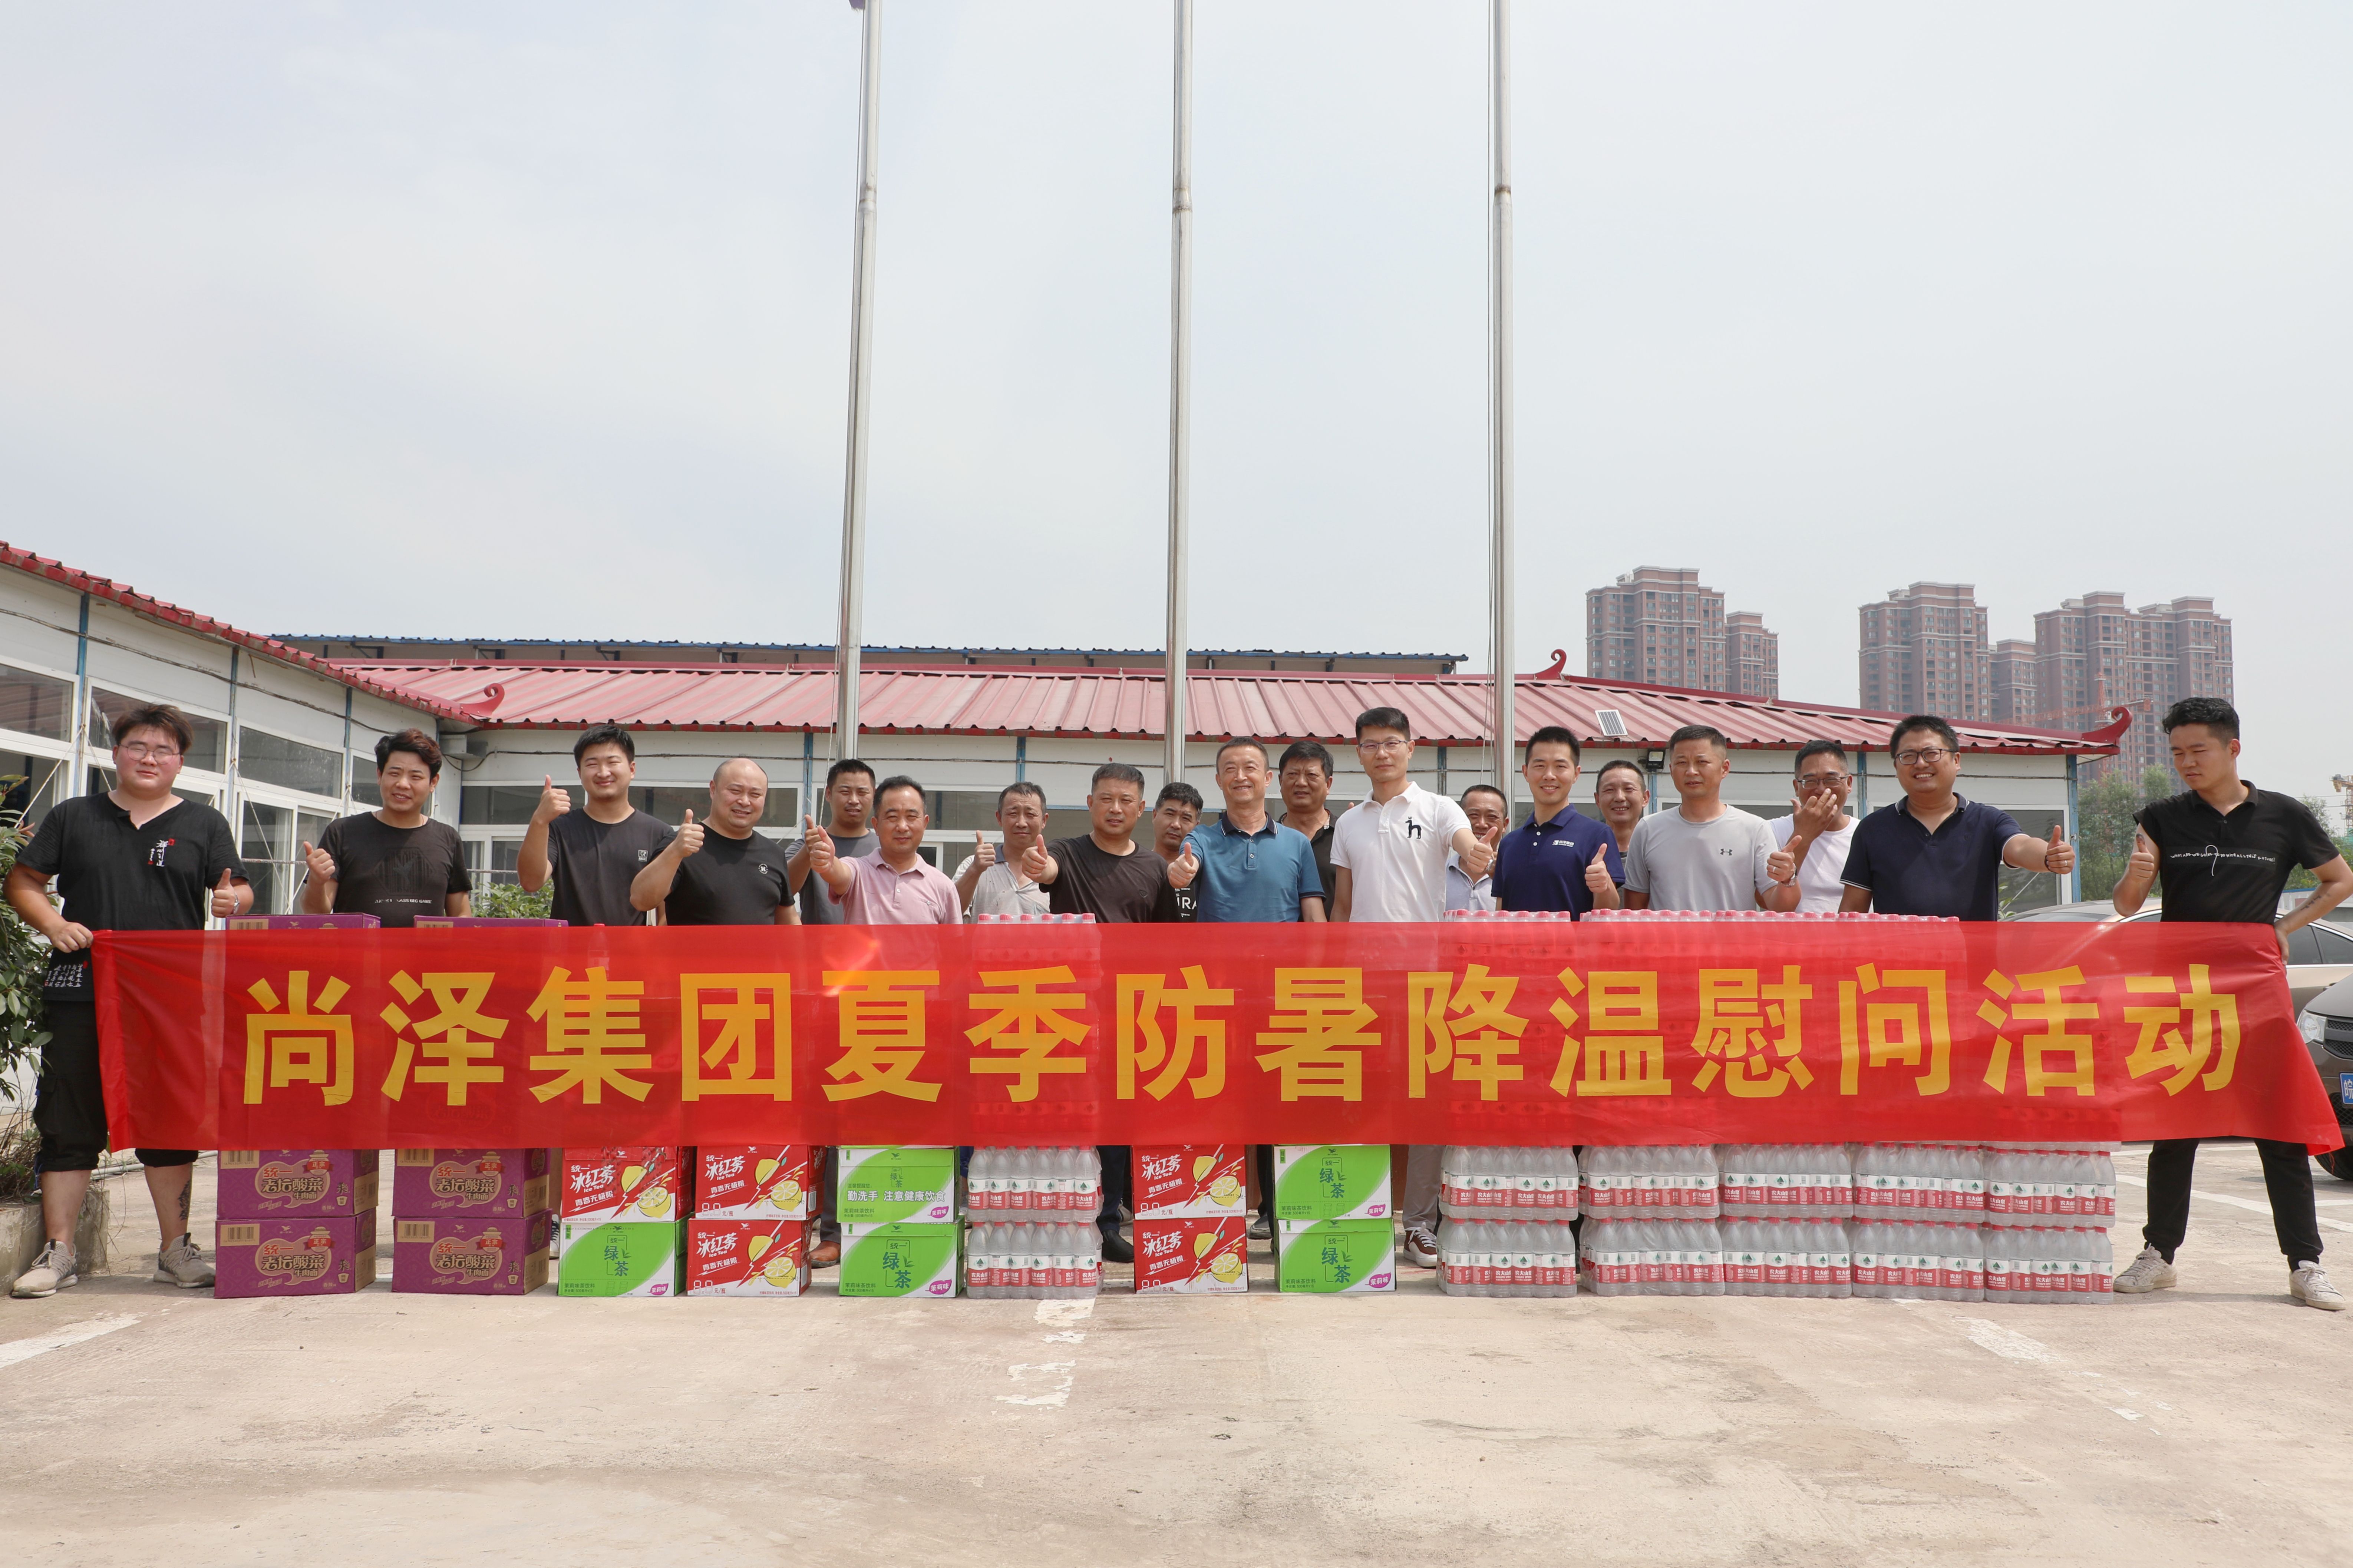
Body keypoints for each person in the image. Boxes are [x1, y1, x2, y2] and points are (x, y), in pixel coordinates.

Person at [2109, 697, 2352, 1311]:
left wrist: (2285, 925)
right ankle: (2158, 1255)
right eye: (2177, 753)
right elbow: (2125, 904)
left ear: (2232, 748)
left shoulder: (2283, 815)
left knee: (2278, 1125)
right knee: (2175, 1126)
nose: (2186, 763)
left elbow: (2339, 879)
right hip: (2181, 993)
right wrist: (2137, 873)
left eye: (2198, 750)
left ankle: (2305, 1264)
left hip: (2254, 992)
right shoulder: (2161, 818)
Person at [8, 704, 251, 1299]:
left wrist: (232, 903)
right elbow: (23, 882)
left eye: (163, 750)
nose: (149, 758)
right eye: (138, 746)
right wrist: (53, 924)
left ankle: (175, 1250)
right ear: (116, 753)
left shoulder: (203, 822)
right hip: (81, 989)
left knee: (168, 1118)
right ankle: (60, 1250)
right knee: (69, 1116)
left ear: (180, 762)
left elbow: (238, 888)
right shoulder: (75, 815)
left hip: (170, 997)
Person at [1328, 707, 1494, 1271]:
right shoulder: (1349, 823)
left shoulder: (1438, 808)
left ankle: (1419, 1224)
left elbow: (1465, 841)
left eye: (1391, 742)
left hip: (1427, 980)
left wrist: (1474, 851)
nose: (1382, 753)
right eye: (1370, 744)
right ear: (1358, 752)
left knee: (1424, 1104)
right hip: (1364, 984)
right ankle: (1359, 1213)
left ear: (1410, 748)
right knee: (1361, 1099)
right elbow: (1343, 906)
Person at [1027, 762, 1187, 1264]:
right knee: (1067, 1117)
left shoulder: (1155, 869)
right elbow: (1047, 871)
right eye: (1105, 799)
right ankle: (1057, 1222)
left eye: (1125, 801)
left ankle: (1107, 1222)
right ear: (1090, 803)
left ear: (1141, 809)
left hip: (1128, 1013)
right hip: (1067, 1011)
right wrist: (1040, 868)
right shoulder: (1067, 852)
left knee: (1116, 1123)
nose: (1115, 809)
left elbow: (1166, 946)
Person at [1836, 715, 2072, 920]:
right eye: (1908, 756)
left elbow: (2020, 847)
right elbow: (1852, 910)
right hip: (1899, 958)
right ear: (1896, 767)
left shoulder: (1988, 821)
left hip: (1973, 957)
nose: (1921, 764)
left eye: (1931, 754)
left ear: (1956, 760)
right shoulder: (1873, 829)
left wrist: (2049, 857)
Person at [299, 728, 471, 927]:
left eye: (416, 777)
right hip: (358, 948)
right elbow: (315, 912)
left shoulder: (448, 839)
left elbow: (461, 914)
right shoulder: (343, 832)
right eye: (394, 773)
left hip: (426, 949)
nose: (403, 784)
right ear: (380, 775)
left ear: (433, 782)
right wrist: (317, 881)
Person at [517, 725, 672, 927]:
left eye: (613, 762)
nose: (603, 772)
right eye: (592, 764)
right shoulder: (558, 828)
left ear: (632, 769)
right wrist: (540, 820)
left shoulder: (659, 834)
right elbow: (531, 882)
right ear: (580, 773)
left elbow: (665, 914)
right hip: (569, 947)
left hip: (630, 948)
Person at [1622, 725, 1780, 913]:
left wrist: (1789, 880)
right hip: (1669, 934)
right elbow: (1634, 910)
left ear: (1725, 769)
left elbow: (1780, 905)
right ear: (1671, 770)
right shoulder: (1648, 829)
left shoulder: (1754, 828)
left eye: (1701, 762)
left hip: (1731, 934)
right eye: (1682, 763)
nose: (1691, 771)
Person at [626, 758, 798, 926]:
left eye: (755, 794)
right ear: (713, 790)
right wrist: (675, 852)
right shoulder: (683, 844)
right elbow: (641, 900)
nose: (745, 801)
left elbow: (788, 920)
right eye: (735, 791)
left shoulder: (774, 853)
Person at [1492, 726, 1623, 917]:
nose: (1549, 775)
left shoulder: (1597, 835)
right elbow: (1501, 910)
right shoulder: (1509, 844)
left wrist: (1604, 886)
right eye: (1540, 766)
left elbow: (1609, 911)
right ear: (1526, 772)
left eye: (1560, 766)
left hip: (1574, 938)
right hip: (1516, 939)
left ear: (1576, 774)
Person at [805, 775, 961, 926]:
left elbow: (954, 943)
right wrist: (828, 863)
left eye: (911, 817)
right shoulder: (859, 872)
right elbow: (839, 873)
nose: (902, 827)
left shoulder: (944, 887)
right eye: (892, 817)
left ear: (925, 824)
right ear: (876, 825)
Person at [1762, 740, 1861, 914]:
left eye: (1831, 780)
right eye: (1810, 781)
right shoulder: (1771, 831)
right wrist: (1803, 835)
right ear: (1797, 787)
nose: (1822, 789)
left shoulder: (1865, 833)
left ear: (1849, 784)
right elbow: (1772, 905)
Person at [789, 759, 878, 925]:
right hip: (817, 942)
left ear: (874, 795)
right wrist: (808, 853)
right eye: (845, 792)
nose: (854, 800)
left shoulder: (885, 850)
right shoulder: (806, 846)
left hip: (872, 941)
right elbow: (780, 890)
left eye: (862, 793)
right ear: (829, 794)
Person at [956, 781, 1051, 919]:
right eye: (1013, 814)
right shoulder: (973, 865)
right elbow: (949, 912)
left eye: (1030, 815)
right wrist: (975, 870)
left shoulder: (1054, 873)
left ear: (1044, 821)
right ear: (999, 818)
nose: (1021, 823)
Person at [1277, 741, 1343, 907]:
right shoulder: (1267, 839)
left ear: (1328, 784)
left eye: (1311, 775)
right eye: (1293, 774)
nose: (1301, 782)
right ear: (1280, 781)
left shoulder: (1345, 834)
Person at [1445, 785, 1505, 912]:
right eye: (1473, 815)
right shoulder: (1439, 873)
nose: (1482, 824)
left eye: (1492, 817)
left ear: (1505, 825)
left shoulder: (1511, 877)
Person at [1151, 781, 1205, 921]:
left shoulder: (1207, 876)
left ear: (1196, 826)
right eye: (1170, 814)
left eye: (1186, 818)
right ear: (1155, 815)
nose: (1176, 825)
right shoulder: (1136, 869)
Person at [1593, 758, 1649, 860]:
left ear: (1645, 798)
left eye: (1629, 789)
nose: (1620, 798)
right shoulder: (1585, 848)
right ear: (1598, 800)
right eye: (1610, 790)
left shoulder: (1658, 847)